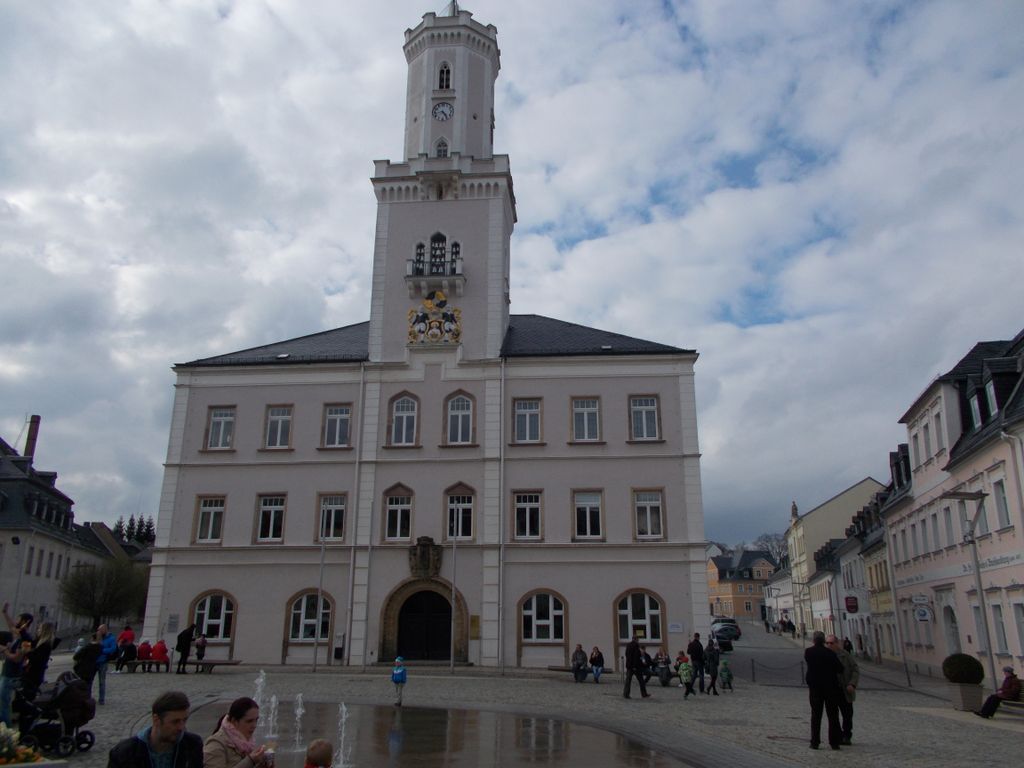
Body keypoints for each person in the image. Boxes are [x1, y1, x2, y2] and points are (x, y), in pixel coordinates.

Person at [108, 690, 204, 768]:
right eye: (175, 722)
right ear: (156, 720)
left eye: (184, 720)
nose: (181, 727)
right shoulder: (125, 753)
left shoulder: (192, 745)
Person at [203, 696, 271, 768]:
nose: (254, 725)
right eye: (249, 721)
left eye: (256, 720)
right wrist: (250, 761)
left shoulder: (246, 744)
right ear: (234, 721)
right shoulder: (216, 743)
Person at [805, 630, 844, 750]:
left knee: (816, 715)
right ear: (823, 641)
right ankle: (834, 742)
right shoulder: (830, 653)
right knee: (833, 715)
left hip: (815, 688)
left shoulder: (808, 652)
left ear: (813, 640)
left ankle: (814, 742)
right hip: (830, 688)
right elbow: (840, 669)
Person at [0, 605, 33, 727]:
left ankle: (6, 729)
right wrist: (5, 613)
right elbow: (12, 627)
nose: (16, 622)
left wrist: (4, 650)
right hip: (7, 674)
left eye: (19, 620)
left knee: (4, 704)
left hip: (11, 676)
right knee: (2, 703)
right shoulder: (19, 637)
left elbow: (17, 658)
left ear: (24, 623)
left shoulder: (26, 640)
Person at [826, 634, 859, 744]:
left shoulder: (845, 655)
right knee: (833, 715)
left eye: (831, 643)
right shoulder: (826, 655)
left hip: (845, 689)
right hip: (833, 690)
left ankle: (847, 735)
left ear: (837, 643)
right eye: (827, 643)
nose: (829, 645)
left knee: (847, 714)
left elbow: (855, 670)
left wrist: (852, 684)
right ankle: (838, 735)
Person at [22, 622, 57, 699]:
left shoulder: (45, 645)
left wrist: (27, 652)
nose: (38, 630)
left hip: (34, 675)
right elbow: (31, 642)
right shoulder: (41, 642)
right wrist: (23, 632)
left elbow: (37, 659)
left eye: (40, 629)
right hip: (33, 674)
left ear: (44, 631)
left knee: (28, 697)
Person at [96, 624, 118, 704]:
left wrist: (101, 650)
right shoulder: (97, 637)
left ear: (105, 629)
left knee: (102, 681)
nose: (98, 631)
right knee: (90, 681)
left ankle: (101, 699)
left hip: (103, 662)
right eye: (98, 630)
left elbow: (112, 649)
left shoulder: (111, 638)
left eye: (100, 630)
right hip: (94, 661)